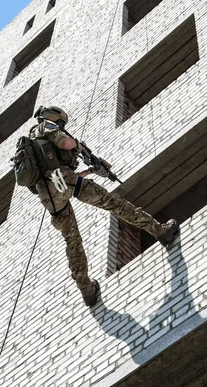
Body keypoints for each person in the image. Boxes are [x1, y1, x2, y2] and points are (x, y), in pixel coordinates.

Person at [28, 106, 179, 306]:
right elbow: (65, 142)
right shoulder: (46, 127)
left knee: (72, 241)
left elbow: (65, 178)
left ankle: (86, 290)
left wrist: (90, 171)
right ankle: (160, 231)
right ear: (55, 118)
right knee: (115, 204)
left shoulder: (31, 145)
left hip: (50, 196)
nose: (62, 127)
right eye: (62, 124)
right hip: (64, 182)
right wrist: (78, 147)